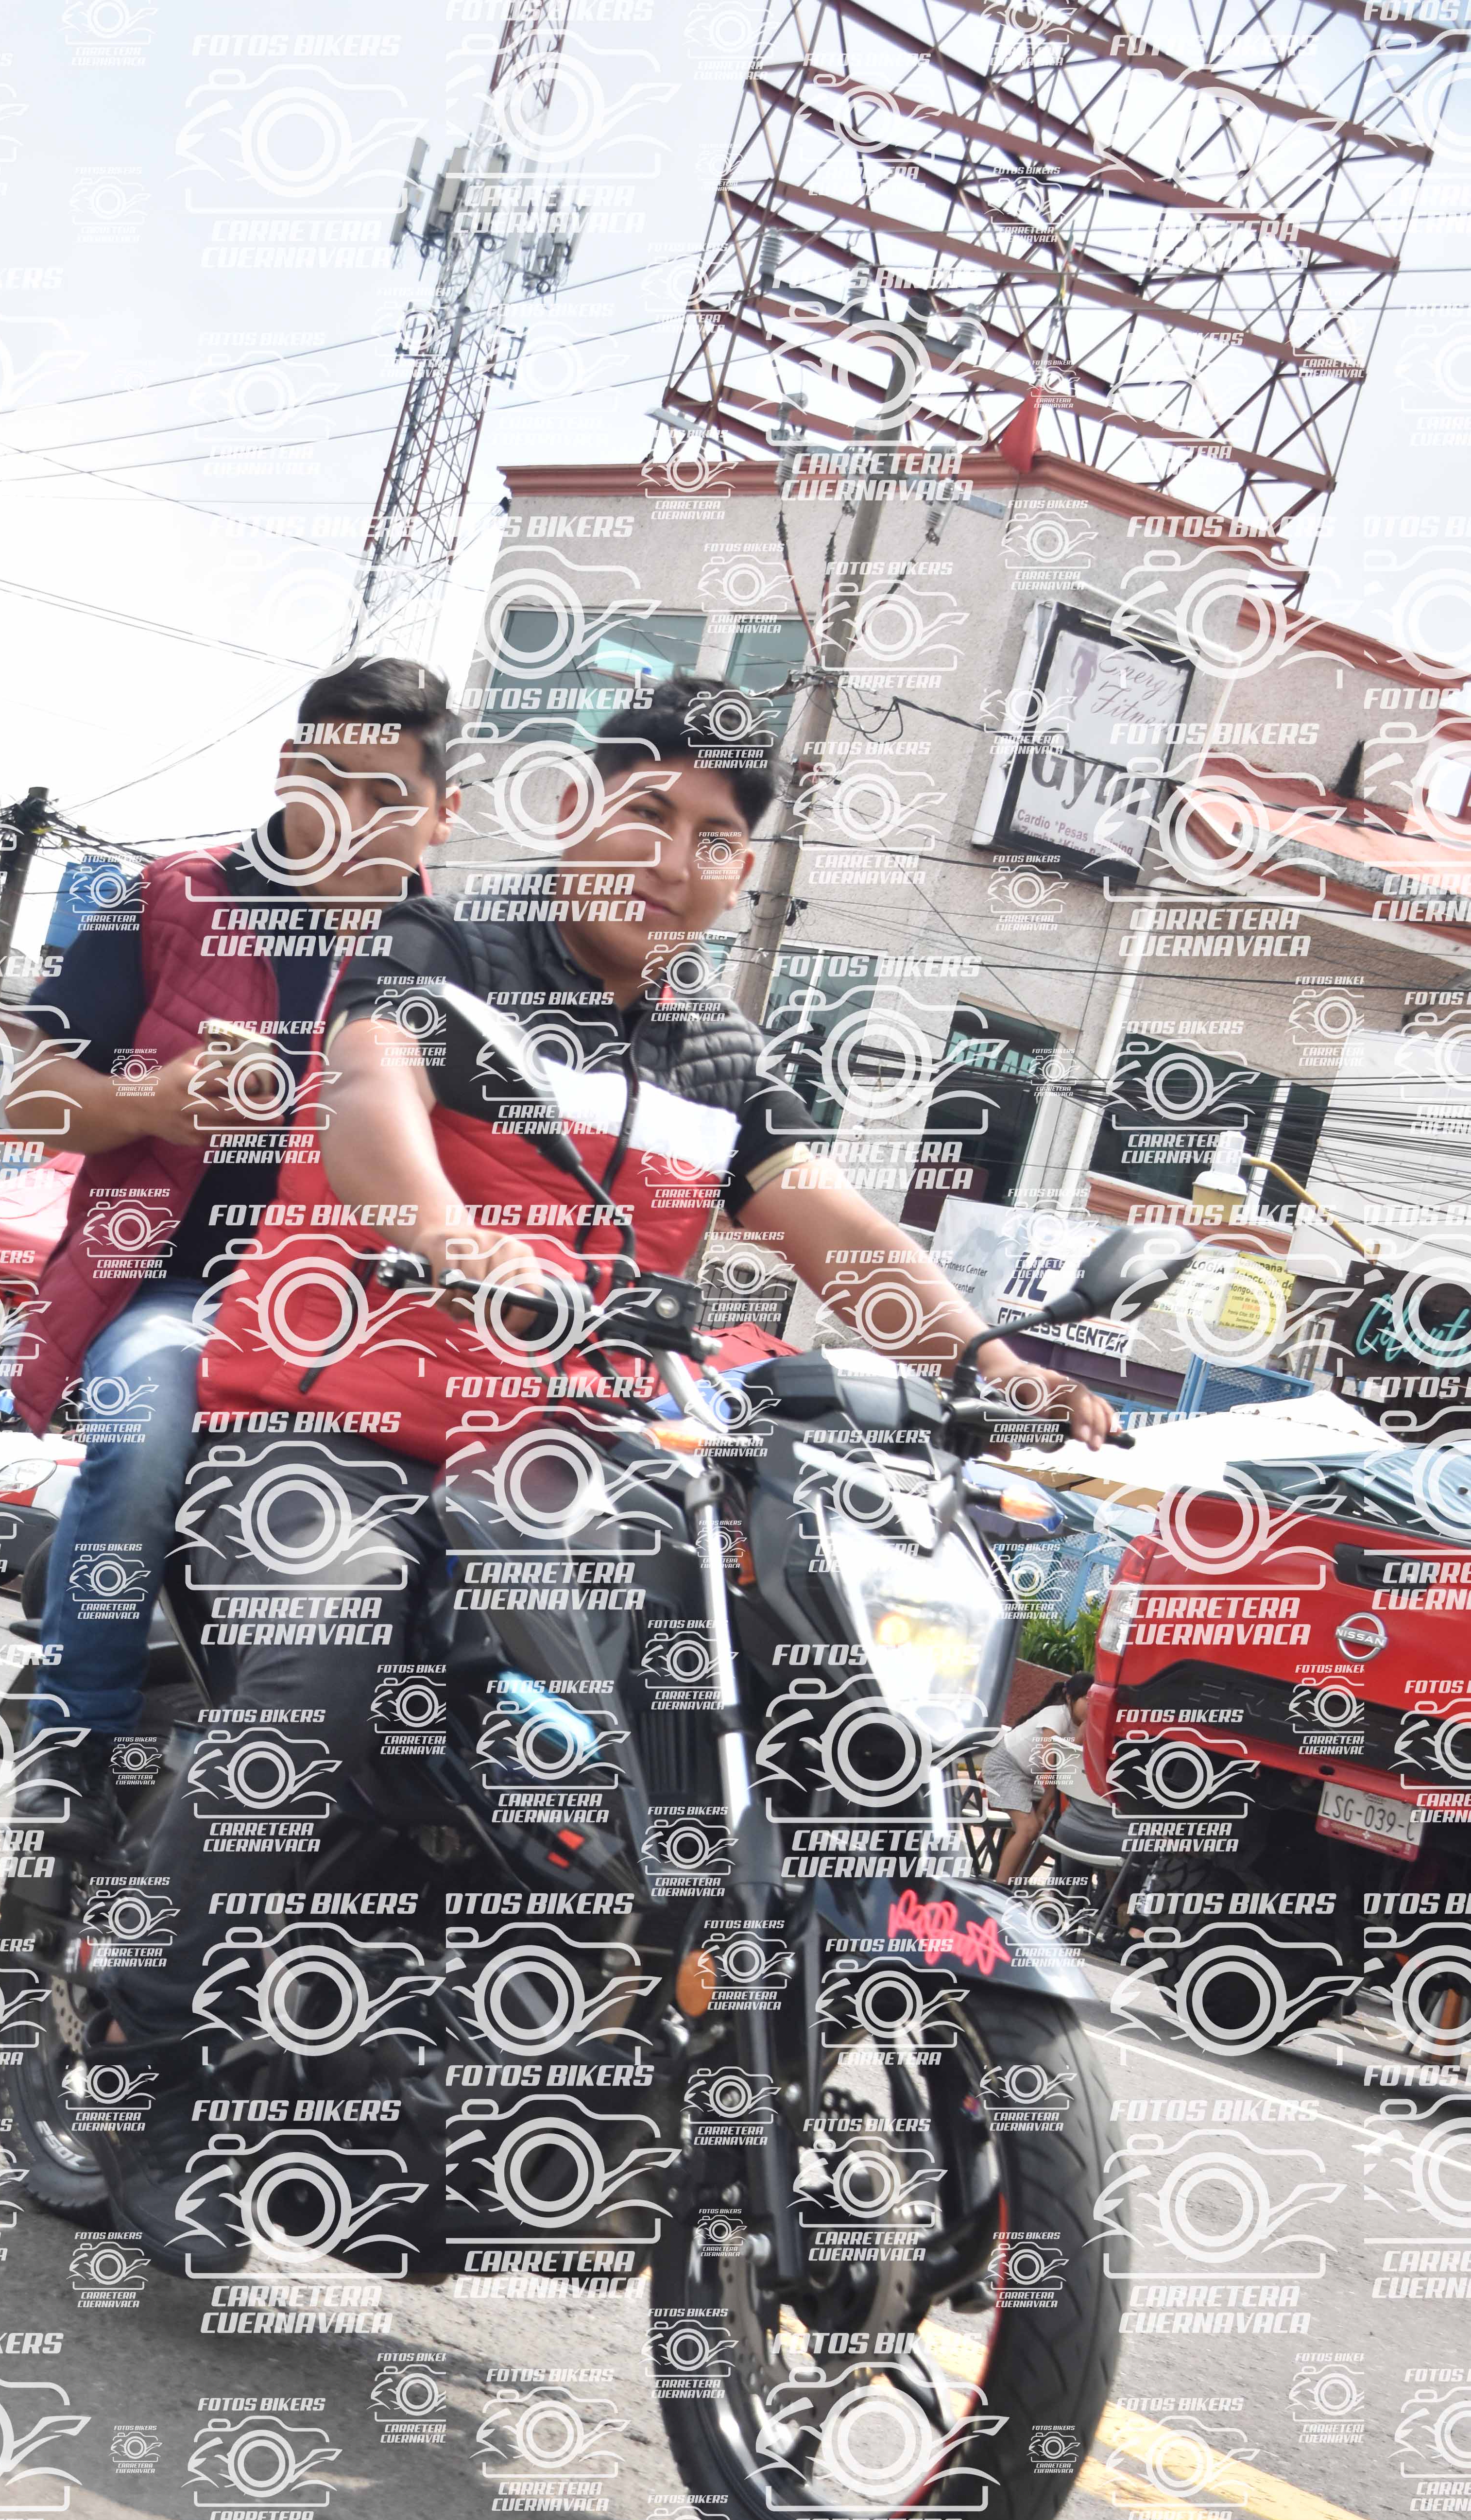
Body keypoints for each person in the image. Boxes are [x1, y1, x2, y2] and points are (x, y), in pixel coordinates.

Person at [71, 673, 1119, 2271]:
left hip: (576, 1466)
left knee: (760, 1675)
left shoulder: (718, 1050)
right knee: (328, 1675)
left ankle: (609, 2037)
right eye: (647, 811)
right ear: (578, 811)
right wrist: (454, 1245)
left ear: (740, 874)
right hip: (339, 1429)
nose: (673, 857)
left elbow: (833, 1230)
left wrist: (987, 1363)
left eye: (715, 837)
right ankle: (150, 2052)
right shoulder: (442, 953)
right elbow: (369, 1111)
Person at [0, 657, 462, 1856]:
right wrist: (146, 1101)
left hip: (381, 1321)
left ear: (441, 813)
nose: (345, 813)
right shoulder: (173, 899)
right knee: (142, 1438)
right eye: (325, 779)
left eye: (383, 793)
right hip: (187, 1292)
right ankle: (72, 1747)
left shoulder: (469, 962)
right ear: (285, 769)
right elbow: (22, 1096)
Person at [985, 1670, 1114, 1881]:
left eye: (1095, 1703)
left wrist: (1042, 1811)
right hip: (1006, 1766)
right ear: (1070, 1698)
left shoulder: (1081, 1728)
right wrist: (1078, 1740)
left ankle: (1016, 1883)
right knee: (1029, 1828)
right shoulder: (1056, 1716)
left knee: (1051, 1835)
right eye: (1086, 1700)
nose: (1091, 1707)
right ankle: (1000, 1885)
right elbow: (1049, 1764)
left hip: (1030, 1778)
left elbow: (1061, 1775)